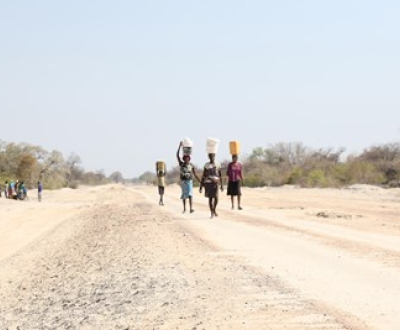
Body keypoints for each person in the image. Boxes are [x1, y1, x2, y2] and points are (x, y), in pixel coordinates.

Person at [177, 142, 201, 213]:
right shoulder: (181, 164)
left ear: (189, 158)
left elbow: (195, 174)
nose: (187, 159)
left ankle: (191, 208)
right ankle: (184, 208)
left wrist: (200, 182)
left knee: (190, 195)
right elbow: (177, 156)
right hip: (183, 182)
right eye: (185, 158)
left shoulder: (191, 165)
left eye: (188, 158)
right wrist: (179, 147)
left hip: (189, 181)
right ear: (184, 159)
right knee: (184, 196)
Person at [200, 153, 223, 218]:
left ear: (214, 156)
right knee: (210, 198)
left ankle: (214, 209)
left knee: (216, 198)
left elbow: (220, 175)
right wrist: (201, 186)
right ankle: (212, 213)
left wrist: (222, 185)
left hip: (216, 183)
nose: (212, 158)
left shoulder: (218, 164)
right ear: (208, 157)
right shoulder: (206, 165)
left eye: (213, 156)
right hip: (208, 183)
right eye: (210, 156)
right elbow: (203, 176)